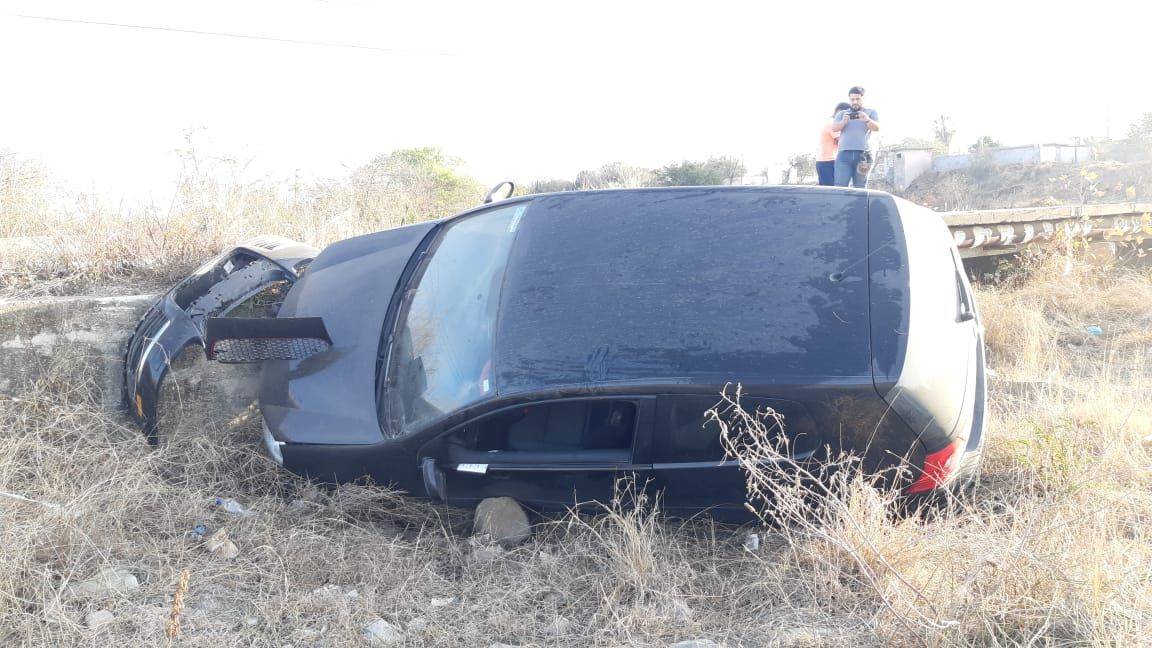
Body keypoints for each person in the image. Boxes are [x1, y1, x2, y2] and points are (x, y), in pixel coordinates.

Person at [830, 86, 880, 187]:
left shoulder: (871, 112)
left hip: (863, 156)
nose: (855, 102)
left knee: (860, 187)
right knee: (840, 187)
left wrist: (867, 119)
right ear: (849, 99)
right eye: (852, 99)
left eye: (858, 99)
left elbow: (876, 128)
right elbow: (834, 128)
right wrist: (843, 122)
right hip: (843, 155)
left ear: (863, 98)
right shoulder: (842, 113)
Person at [817, 102, 850, 186]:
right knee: (830, 190)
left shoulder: (833, 124)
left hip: (829, 160)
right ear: (839, 112)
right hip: (827, 161)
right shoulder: (832, 123)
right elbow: (843, 142)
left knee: (832, 189)